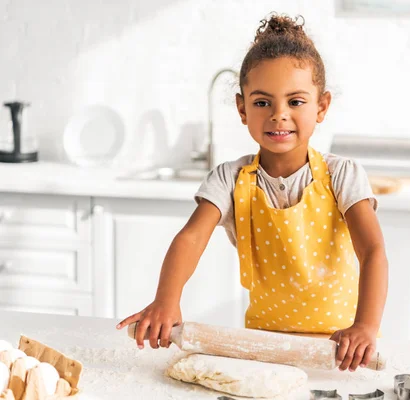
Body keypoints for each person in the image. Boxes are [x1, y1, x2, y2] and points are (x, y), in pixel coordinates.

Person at [117, 13, 388, 372]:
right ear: (242, 108)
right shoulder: (229, 179)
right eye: (262, 103)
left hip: (340, 351)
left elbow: (372, 251)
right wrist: (167, 299)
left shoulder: (342, 176)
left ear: (321, 106)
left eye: (295, 102)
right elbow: (191, 237)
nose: (279, 115)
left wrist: (365, 327)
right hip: (263, 350)